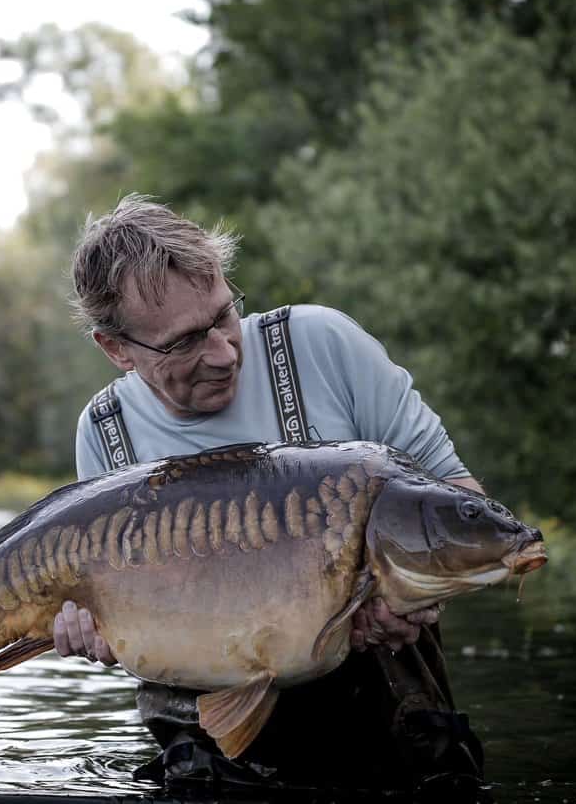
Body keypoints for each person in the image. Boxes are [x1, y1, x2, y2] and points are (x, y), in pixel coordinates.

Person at [53, 194, 487, 794]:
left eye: (223, 315)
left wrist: (416, 602)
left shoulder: (323, 345)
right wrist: (95, 634)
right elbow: (116, 617)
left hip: (382, 710)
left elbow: (458, 500)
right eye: (183, 343)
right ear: (116, 348)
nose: (224, 352)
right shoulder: (106, 435)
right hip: (210, 734)